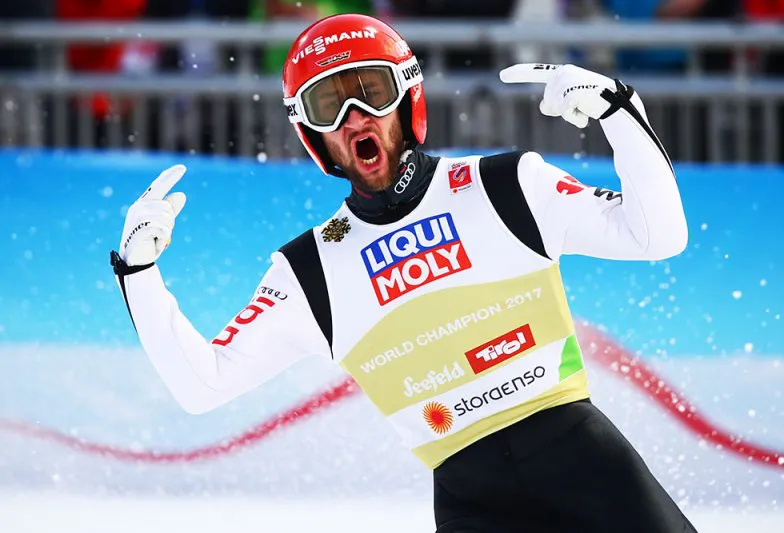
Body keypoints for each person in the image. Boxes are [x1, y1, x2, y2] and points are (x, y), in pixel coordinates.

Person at [111, 13, 695, 533]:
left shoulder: (506, 185)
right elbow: (202, 385)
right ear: (311, 133)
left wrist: (620, 112)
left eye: (371, 91)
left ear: (408, 96)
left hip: (587, 465)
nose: (354, 118)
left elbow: (659, 235)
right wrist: (138, 272)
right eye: (328, 105)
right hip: (473, 506)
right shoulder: (309, 271)